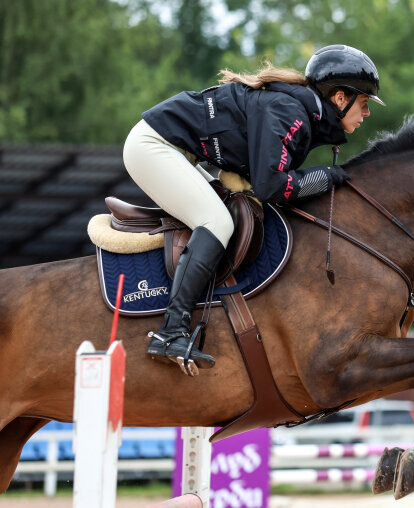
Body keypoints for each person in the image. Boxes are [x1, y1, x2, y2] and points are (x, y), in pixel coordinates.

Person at [122, 44, 384, 374]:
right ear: (340, 98)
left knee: (224, 215)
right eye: (364, 102)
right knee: (216, 221)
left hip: (177, 150)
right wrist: (326, 176)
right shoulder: (290, 111)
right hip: (153, 145)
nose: (368, 112)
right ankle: (170, 332)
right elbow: (271, 186)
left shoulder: (297, 109)